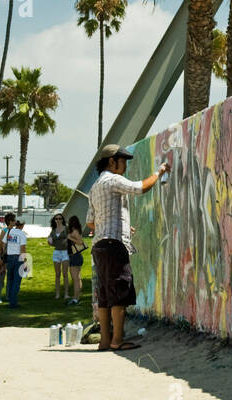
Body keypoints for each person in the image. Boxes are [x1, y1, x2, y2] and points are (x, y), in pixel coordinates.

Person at [86, 143, 168, 351]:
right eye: (122, 161)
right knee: (120, 294)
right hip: (114, 245)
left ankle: (105, 341)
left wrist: (116, 223)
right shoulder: (113, 179)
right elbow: (140, 188)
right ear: (112, 161)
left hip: (99, 246)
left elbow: (90, 222)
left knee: (104, 296)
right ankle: (118, 340)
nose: (125, 165)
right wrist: (159, 172)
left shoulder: (95, 186)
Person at [5, 218, 27, 308]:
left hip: (9, 257)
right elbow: (22, 248)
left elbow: (3, 244)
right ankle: (13, 303)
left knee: (10, 280)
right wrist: (25, 261)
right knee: (16, 281)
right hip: (18, 258)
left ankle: (10, 300)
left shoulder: (9, 231)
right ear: (22, 225)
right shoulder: (22, 234)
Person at [0, 213, 14, 305]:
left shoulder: (15, 231)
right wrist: (1, 257)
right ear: (10, 221)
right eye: (14, 220)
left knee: (10, 277)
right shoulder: (4, 231)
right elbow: (0, 244)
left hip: (12, 256)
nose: (15, 222)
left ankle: (9, 296)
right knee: (1, 277)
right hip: (4, 256)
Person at [47, 214, 69, 301]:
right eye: (56, 219)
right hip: (56, 252)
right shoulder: (53, 230)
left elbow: (71, 238)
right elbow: (51, 241)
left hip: (65, 252)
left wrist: (66, 240)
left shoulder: (66, 228)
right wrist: (49, 241)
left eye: (60, 218)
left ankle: (66, 294)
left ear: (62, 219)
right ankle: (57, 294)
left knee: (65, 273)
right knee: (57, 274)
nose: (58, 220)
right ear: (54, 220)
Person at [66, 216, 86, 306]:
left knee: (75, 279)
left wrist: (70, 237)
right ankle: (77, 297)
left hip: (74, 256)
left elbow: (80, 242)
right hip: (76, 256)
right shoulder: (77, 230)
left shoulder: (75, 231)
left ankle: (75, 298)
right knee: (78, 278)